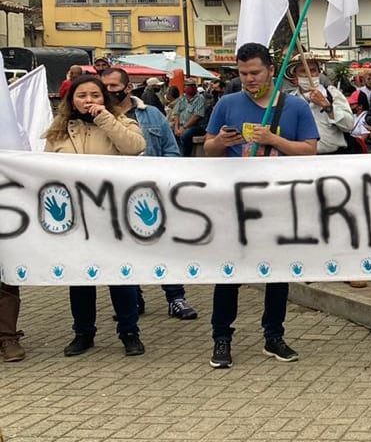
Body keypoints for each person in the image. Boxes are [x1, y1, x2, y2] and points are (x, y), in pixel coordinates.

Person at [204, 42, 320, 369]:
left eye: (255, 72)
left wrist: (274, 141)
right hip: (235, 202)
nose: (250, 79)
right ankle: (222, 337)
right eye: (243, 74)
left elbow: (309, 150)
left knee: (277, 271)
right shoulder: (227, 103)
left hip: (278, 202)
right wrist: (220, 143)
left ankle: (273, 334)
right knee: (229, 272)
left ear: (271, 69)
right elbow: (210, 149)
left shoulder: (294, 107)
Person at [44, 74, 148, 357]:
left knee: (119, 275)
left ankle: (129, 332)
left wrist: (105, 119)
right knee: (80, 277)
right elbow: (44, 170)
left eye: (94, 95)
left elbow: (135, 147)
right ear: (71, 100)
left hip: (112, 213)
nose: (88, 100)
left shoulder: (121, 122)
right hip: (76, 215)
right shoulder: (58, 131)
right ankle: (83, 332)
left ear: (104, 98)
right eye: (82, 96)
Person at [100, 68, 200, 322]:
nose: (109, 91)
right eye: (105, 86)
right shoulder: (98, 119)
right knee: (124, 248)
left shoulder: (151, 115)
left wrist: (162, 177)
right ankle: (133, 298)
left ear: (127, 88)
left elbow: (171, 150)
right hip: (114, 196)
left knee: (163, 246)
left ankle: (176, 298)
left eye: (114, 86)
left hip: (151, 193)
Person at [285, 55, 355, 155]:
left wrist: (326, 105)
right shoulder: (290, 101)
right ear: (295, 76)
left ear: (319, 72)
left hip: (333, 158)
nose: (309, 74)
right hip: (302, 160)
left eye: (313, 70)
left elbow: (349, 125)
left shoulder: (332, 93)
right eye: (303, 71)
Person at [171, 81, 208, 157]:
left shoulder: (200, 98)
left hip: (196, 126)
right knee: (169, 131)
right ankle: (176, 154)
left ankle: (186, 156)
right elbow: (176, 113)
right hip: (181, 125)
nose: (188, 88)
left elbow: (197, 116)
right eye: (187, 86)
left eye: (192, 86)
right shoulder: (182, 98)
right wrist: (176, 127)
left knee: (186, 134)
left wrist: (184, 127)